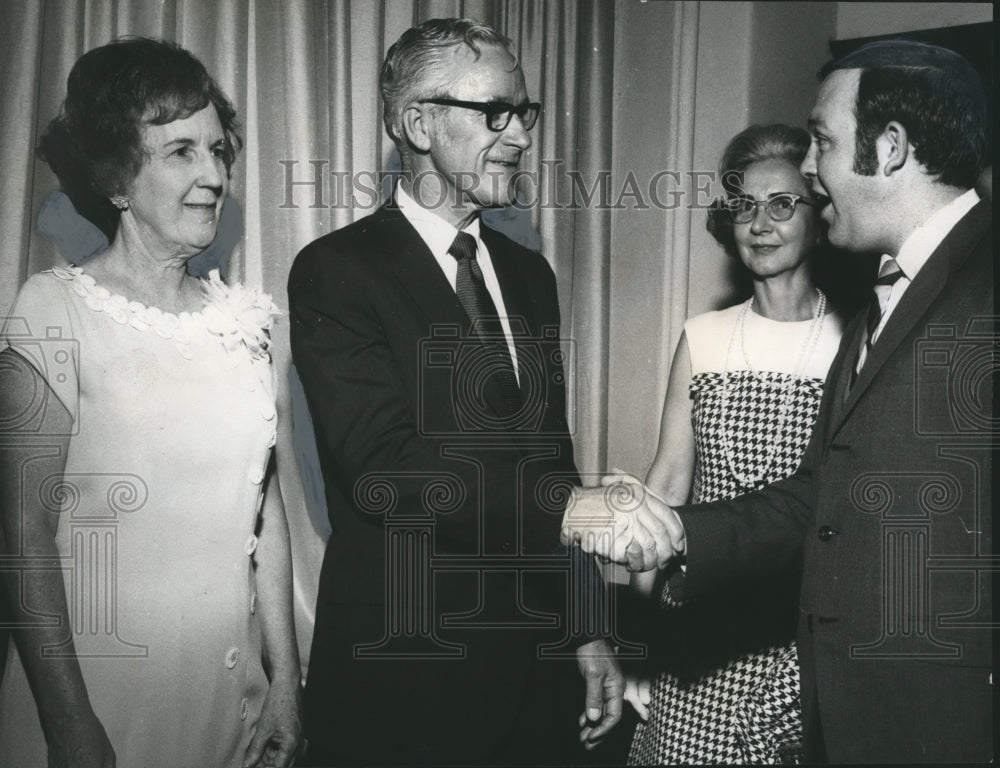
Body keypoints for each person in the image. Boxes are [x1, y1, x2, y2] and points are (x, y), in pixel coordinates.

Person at [564, 39, 992, 764]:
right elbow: (820, 499)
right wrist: (666, 531)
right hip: (837, 703)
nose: (812, 171)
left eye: (822, 142)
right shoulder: (881, 307)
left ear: (888, 149)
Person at [288, 17, 622, 766]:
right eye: (494, 112)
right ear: (417, 122)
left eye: (525, 113)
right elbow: (384, 468)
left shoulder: (530, 275)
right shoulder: (336, 272)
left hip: (534, 681)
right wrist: (569, 511)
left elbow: (549, 456)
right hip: (406, 679)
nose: (522, 137)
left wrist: (588, 625)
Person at [0, 38, 301, 768]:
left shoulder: (242, 321)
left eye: (218, 150)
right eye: (180, 153)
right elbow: (21, 536)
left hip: (230, 701)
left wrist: (288, 684)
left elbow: (264, 513)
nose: (213, 174)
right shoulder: (51, 310)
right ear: (116, 177)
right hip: (100, 701)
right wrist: (71, 727)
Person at [625, 124, 846, 765]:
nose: (760, 222)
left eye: (782, 204)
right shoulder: (704, 337)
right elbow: (666, 486)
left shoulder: (854, 340)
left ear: (818, 212)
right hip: (702, 636)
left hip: (803, 636)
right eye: (744, 206)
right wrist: (640, 643)